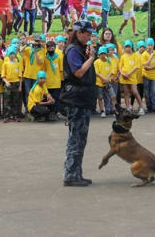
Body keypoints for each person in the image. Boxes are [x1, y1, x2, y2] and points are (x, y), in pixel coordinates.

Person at [60, 20, 97, 187]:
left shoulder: (78, 49)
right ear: (78, 33)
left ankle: (76, 173)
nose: (89, 37)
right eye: (87, 34)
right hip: (77, 100)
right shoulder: (73, 50)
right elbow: (79, 72)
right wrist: (91, 58)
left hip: (82, 99)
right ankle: (71, 175)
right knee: (76, 138)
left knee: (80, 139)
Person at [119, 40, 145, 115]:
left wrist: (129, 74)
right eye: (126, 47)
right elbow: (120, 67)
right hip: (124, 78)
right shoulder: (123, 56)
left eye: (129, 47)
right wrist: (123, 74)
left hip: (132, 78)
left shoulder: (135, 55)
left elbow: (136, 66)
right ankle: (128, 108)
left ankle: (141, 107)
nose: (127, 48)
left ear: (131, 47)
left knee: (135, 92)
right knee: (126, 93)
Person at [1, 46, 23, 122]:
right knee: (7, 101)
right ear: (8, 55)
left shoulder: (18, 64)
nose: (12, 55)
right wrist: (6, 82)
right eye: (10, 54)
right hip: (8, 84)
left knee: (15, 101)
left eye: (13, 54)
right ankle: (6, 116)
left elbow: (20, 76)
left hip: (16, 84)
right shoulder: (5, 64)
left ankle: (15, 116)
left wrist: (20, 86)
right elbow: (3, 76)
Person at [141, 38, 155, 113]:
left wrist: (150, 67)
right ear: (146, 46)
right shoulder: (144, 55)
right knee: (147, 93)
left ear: (153, 45)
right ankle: (149, 108)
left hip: (154, 77)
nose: (150, 47)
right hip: (146, 76)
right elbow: (145, 67)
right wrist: (150, 58)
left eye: (151, 45)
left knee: (154, 92)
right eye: (148, 45)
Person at [43, 41, 63, 120]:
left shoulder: (58, 57)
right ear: (47, 48)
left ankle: (57, 113)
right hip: (48, 82)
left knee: (56, 98)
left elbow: (61, 70)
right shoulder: (45, 58)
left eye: (53, 47)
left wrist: (61, 80)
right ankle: (50, 114)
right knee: (48, 99)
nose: (52, 49)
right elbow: (43, 71)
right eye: (50, 47)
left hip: (57, 82)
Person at [94, 46, 116, 118]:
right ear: (99, 54)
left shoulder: (109, 61)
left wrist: (107, 78)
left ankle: (113, 109)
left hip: (108, 82)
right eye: (101, 54)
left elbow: (112, 71)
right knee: (100, 97)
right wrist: (103, 78)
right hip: (99, 83)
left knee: (112, 96)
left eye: (104, 53)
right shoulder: (96, 62)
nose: (103, 55)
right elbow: (97, 73)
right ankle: (102, 111)